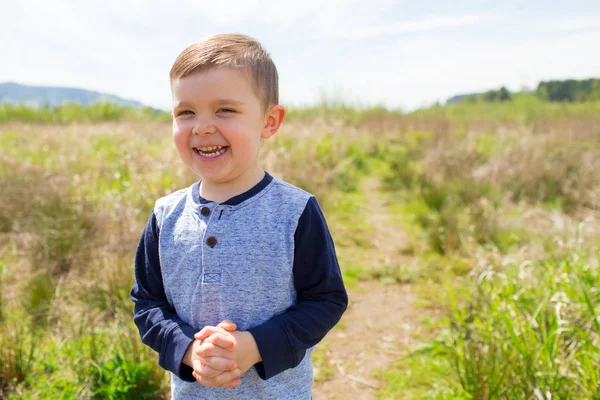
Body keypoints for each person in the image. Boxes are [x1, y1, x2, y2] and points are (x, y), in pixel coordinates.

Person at [130, 33, 348, 399]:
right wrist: (187, 349)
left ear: (269, 121)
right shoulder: (165, 215)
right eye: (186, 112)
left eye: (224, 110)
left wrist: (255, 345)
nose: (202, 127)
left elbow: (326, 300)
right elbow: (147, 303)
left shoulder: (295, 211)